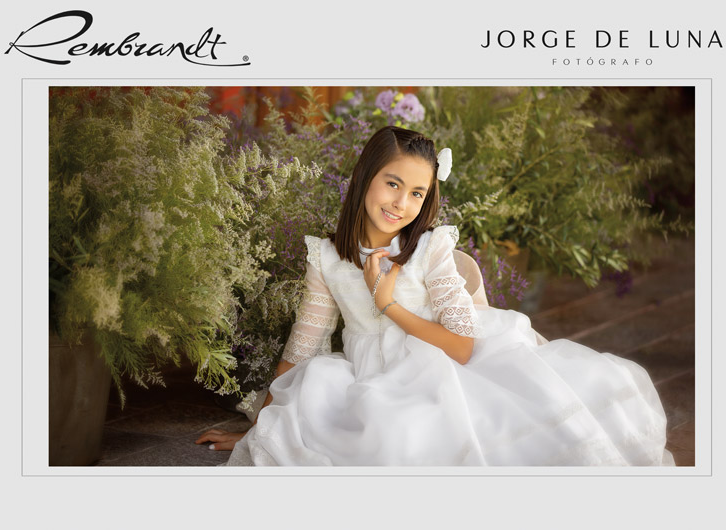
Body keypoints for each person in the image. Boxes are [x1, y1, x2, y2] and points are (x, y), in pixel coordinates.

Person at [195, 125, 675, 466]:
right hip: (372, 376)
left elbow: (462, 347)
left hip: (447, 365)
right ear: (364, 177)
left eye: (417, 193)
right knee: (368, 422)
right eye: (393, 184)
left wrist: (388, 305)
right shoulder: (326, 258)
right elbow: (303, 347)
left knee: (464, 430)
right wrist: (257, 427)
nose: (401, 203)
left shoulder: (430, 249)